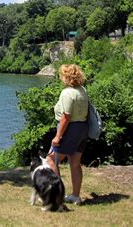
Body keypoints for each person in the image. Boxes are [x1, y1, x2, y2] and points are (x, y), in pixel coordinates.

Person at [46, 64, 89, 205]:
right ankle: (75, 196)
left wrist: (58, 136)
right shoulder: (82, 90)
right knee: (75, 163)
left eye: (62, 75)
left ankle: (57, 195)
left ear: (66, 77)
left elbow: (66, 117)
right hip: (82, 128)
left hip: (70, 129)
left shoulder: (67, 93)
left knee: (51, 160)